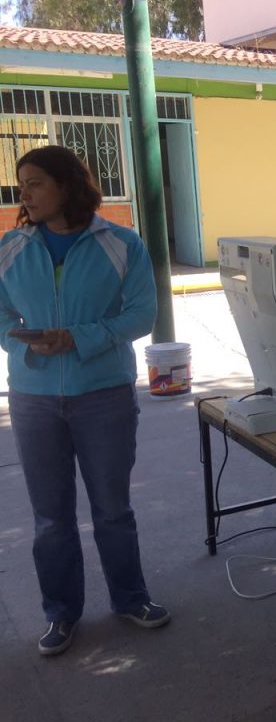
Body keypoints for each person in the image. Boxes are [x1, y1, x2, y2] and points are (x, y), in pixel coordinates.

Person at [0, 145, 170, 657]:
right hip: (33, 399)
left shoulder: (119, 244)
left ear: (67, 187)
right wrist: (24, 341)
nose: (23, 193)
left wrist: (79, 338)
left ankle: (130, 599)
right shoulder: (11, 246)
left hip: (104, 396)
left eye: (34, 183)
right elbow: (2, 315)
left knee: (113, 508)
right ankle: (61, 613)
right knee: (50, 517)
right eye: (21, 183)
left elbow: (141, 314)